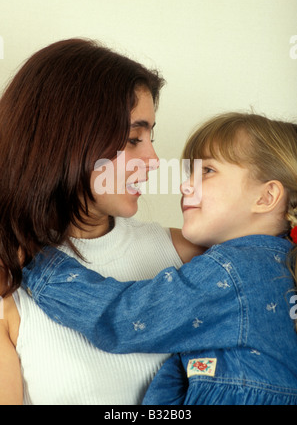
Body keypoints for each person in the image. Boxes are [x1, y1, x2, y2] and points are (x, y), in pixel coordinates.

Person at [22, 112, 297, 405]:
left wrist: (34, 261)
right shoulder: (277, 269)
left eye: (207, 171)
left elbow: (124, 317)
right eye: (190, 173)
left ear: (266, 197)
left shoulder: (234, 272)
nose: (185, 186)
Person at [0, 38, 201, 405]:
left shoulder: (189, 256)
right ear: (65, 141)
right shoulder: (9, 284)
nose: (154, 159)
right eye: (132, 138)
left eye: (150, 137)